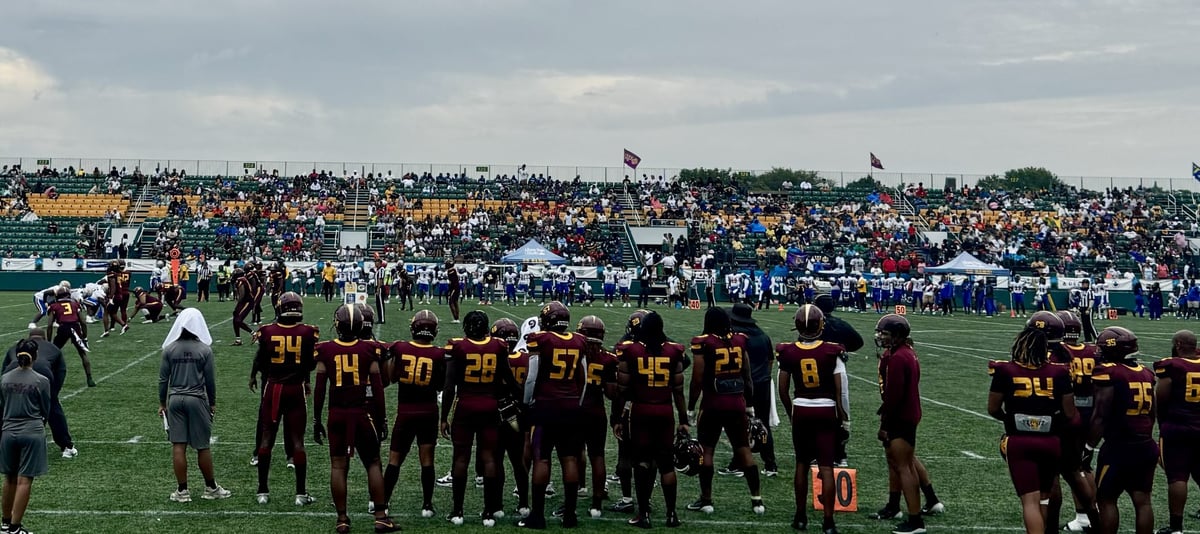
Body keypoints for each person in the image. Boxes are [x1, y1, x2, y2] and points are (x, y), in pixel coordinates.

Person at [312, 305, 400, 534]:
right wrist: (382, 420)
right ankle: (380, 516)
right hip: (361, 414)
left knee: (338, 466)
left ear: (337, 325)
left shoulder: (325, 349)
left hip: (336, 415)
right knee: (373, 463)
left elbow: (320, 388)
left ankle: (342, 519)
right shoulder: (370, 349)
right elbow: (378, 389)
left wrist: (315, 419)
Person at [987, 326, 1076, 534]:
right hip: (1050, 441)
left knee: (1030, 501)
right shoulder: (1059, 372)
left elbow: (992, 408)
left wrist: (1009, 418)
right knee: (1044, 499)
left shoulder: (1005, 370)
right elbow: (1070, 413)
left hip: (1019, 441)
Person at [441, 310, 518, 526]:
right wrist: (521, 401)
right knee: (489, 458)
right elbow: (509, 380)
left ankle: (457, 512)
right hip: (489, 406)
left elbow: (449, 387)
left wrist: (443, 417)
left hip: (465, 406)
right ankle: (489, 512)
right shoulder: (498, 347)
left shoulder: (458, 347)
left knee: (460, 459)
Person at [686, 307, 764, 516]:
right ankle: (757, 500)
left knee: (707, 450)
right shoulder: (739, 339)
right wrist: (749, 405)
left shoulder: (703, 342)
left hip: (713, 402)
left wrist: (691, 407)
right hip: (737, 402)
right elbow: (747, 375)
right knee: (743, 449)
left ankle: (707, 500)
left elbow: (697, 378)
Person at [613, 312, 688, 528]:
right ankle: (671, 514)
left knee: (642, 463)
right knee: (666, 465)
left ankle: (643, 514)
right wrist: (683, 419)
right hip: (665, 411)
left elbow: (622, 389)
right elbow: (678, 391)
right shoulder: (674, 351)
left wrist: (618, 418)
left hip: (641, 411)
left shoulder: (632, 350)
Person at [519, 301, 590, 528]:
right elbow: (583, 377)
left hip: (546, 405)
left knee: (541, 458)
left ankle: (537, 516)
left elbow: (531, 377)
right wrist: (576, 403)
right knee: (569, 458)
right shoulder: (579, 340)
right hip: (570, 406)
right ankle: (570, 515)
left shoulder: (541, 340)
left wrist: (526, 402)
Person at [778, 305, 847, 533]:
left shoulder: (787, 351)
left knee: (801, 464)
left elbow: (782, 389)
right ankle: (828, 521)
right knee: (826, 467)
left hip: (801, 409)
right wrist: (844, 418)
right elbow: (841, 391)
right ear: (820, 325)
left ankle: (800, 516)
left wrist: (791, 412)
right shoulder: (832, 351)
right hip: (826, 410)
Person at [248, 292, 318, 506]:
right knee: (297, 441)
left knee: (267, 438)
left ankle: (262, 492)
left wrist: (252, 375)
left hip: (273, 388)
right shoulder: (308, 332)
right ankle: (300, 494)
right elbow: (311, 363)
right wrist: (304, 377)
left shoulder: (266, 331)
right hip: (295, 389)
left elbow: (260, 358)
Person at [1086, 326, 1156, 534]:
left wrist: (1089, 446)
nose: (1098, 352)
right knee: (1142, 501)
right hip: (1145, 444)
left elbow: (1101, 415)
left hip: (1119, 447)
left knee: (1106, 499)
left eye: (1102, 348)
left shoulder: (1108, 372)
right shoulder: (1146, 373)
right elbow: (1153, 413)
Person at [158, 309, 232, 504]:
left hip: (175, 399)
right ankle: (210, 487)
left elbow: (163, 380)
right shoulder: (204, 350)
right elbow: (210, 381)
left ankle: (182, 491)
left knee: (178, 445)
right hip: (197, 399)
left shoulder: (170, 349)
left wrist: (162, 403)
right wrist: (213, 402)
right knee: (202, 446)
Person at [381, 310, 446, 518]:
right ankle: (427, 505)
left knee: (394, 460)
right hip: (428, 412)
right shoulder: (438, 354)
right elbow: (440, 384)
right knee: (427, 460)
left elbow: (390, 378)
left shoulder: (400, 347)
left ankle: (384, 502)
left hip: (405, 412)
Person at [872, 314, 927, 534]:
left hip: (900, 417)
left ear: (897, 335)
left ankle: (915, 520)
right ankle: (895, 507)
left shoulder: (898, 358)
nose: (881, 337)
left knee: (904, 467)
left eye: (885, 333)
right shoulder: (907, 353)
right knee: (898, 464)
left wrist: (885, 425)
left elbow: (894, 395)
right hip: (907, 413)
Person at [0, 339, 52, 534]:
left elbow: (2, 404)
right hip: (31, 431)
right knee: (24, 480)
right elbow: (46, 408)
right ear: (35, 356)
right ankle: (15, 527)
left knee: (9, 478)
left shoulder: (4, 378)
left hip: (8, 431)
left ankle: (5, 523)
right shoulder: (41, 380)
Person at [1153, 330, 1200, 534]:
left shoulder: (1172, 366)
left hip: (1178, 426)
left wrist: (1163, 423)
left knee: (1177, 477)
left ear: (1179, 344)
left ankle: (1176, 528)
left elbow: (1160, 398)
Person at [3, 329, 74, 459]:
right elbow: (61, 371)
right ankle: (66, 446)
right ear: (44, 338)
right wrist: (53, 394)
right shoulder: (53, 348)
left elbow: (4, 371)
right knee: (53, 408)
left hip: (12, 370)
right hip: (43, 371)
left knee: (5, 408)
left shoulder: (15, 347)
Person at [725, 302, 778, 476]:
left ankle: (738, 464)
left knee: (739, 425)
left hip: (743, 384)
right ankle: (770, 464)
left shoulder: (737, 337)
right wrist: (763, 376)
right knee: (763, 424)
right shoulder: (762, 335)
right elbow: (770, 360)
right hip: (762, 383)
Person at [574, 315, 618, 517]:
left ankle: (573, 499)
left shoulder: (572, 354)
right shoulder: (608, 358)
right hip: (596, 410)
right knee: (597, 456)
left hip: (575, 409)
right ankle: (596, 505)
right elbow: (610, 393)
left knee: (573, 455)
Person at [814, 294, 862, 466]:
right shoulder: (840, 324)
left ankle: (820, 452)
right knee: (840, 408)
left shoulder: (814, 323)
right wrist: (842, 349)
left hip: (818, 371)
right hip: (837, 369)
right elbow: (858, 341)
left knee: (819, 410)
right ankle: (840, 454)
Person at [231, 269, 254, 346]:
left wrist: (238, 303)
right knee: (235, 319)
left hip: (247, 301)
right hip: (244, 301)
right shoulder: (242, 279)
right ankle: (238, 340)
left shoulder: (240, 280)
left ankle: (254, 334)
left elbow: (242, 294)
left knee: (238, 320)